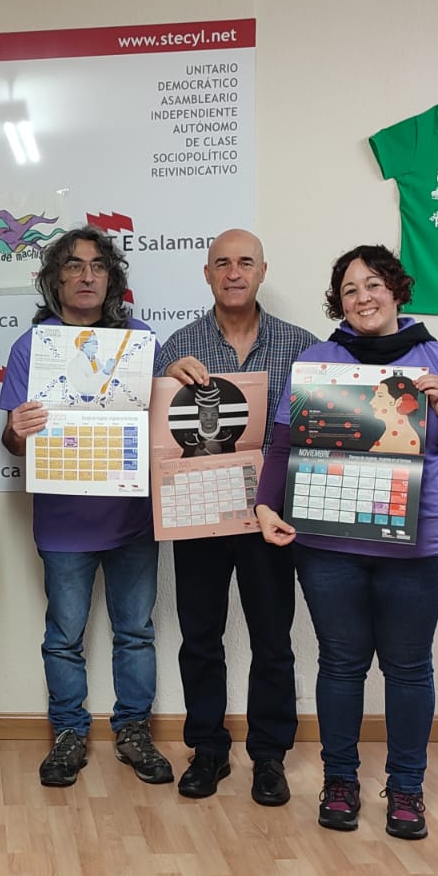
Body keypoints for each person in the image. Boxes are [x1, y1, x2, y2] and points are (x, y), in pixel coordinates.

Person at [255, 246, 438, 839]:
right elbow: (282, 444)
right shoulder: (318, 361)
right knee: (341, 664)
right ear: (339, 302)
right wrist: (266, 504)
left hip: (420, 545)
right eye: (350, 290)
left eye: (373, 284)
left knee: (407, 668)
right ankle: (341, 781)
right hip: (330, 541)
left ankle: (406, 789)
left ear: (397, 290)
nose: (363, 298)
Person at [0, 227, 171, 788]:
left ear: (112, 278)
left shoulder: (140, 340)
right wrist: (19, 432)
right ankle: (69, 733)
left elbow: (166, 424)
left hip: (133, 519)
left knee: (136, 632)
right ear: (55, 278)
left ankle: (134, 731)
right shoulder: (33, 346)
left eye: (98, 266)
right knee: (63, 636)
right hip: (64, 521)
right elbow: (12, 440)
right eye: (73, 265)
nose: (87, 275)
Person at [155, 228, 317, 804]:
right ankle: (208, 749)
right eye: (221, 262)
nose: (233, 272)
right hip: (198, 514)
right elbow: (155, 438)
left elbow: (317, 434)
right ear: (206, 273)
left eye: (244, 262)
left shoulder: (302, 346)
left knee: (273, 638)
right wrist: (164, 388)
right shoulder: (175, 348)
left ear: (262, 271)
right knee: (201, 636)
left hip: (271, 519)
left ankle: (269, 756)